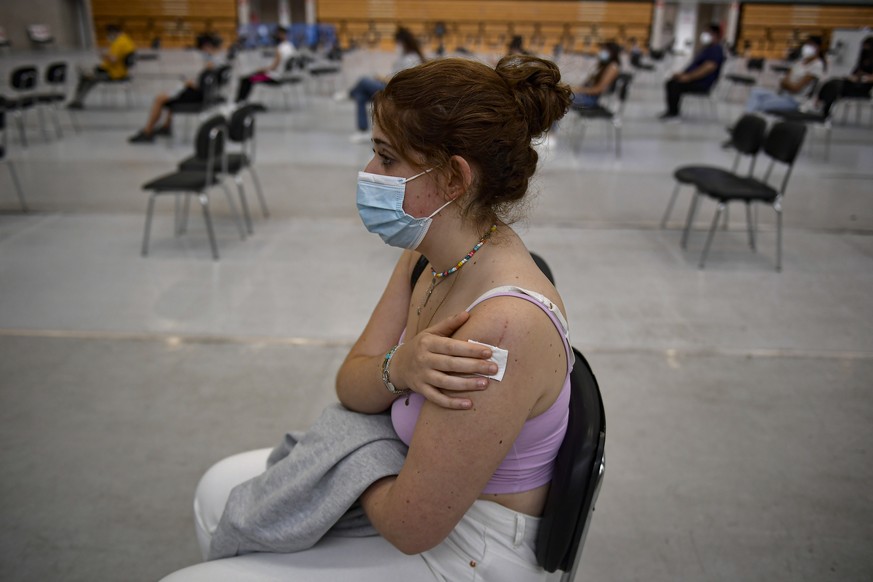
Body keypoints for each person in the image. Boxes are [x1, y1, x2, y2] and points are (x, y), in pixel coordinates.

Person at [190, 55, 573, 580]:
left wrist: (352, 459)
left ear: (454, 177)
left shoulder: (504, 327)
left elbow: (411, 526)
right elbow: (351, 383)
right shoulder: (423, 258)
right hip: (413, 481)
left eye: (387, 158)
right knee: (217, 489)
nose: (370, 175)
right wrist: (402, 367)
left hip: (471, 547)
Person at [127, 34, 223, 144]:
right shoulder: (218, 61)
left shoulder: (211, 64)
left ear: (207, 47)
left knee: (160, 98)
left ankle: (147, 131)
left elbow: (202, 85)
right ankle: (166, 126)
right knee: (173, 95)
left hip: (198, 97)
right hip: (204, 95)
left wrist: (188, 83)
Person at [336, 27, 425, 143]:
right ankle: (362, 131)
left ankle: (349, 93)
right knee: (361, 95)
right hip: (391, 87)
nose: (396, 46)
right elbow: (395, 75)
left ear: (403, 43)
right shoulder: (403, 57)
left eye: (398, 43)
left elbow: (402, 81)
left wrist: (383, 79)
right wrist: (382, 78)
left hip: (398, 93)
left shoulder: (412, 59)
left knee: (363, 81)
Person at [658, 24, 725, 121]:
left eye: (707, 33)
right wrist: (681, 74)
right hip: (694, 79)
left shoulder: (716, 50)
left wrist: (689, 77)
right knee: (670, 82)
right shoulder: (707, 48)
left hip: (702, 83)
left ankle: (674, 114)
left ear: (714, 34)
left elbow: (708, 68)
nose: (705, 35)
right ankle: (670, 110)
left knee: (675, 85)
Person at [743, 36, 825, 113]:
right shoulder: (800, 62)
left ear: (818, 48)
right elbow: (784, 81)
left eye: (810, 45)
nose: (807, 47)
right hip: (784, 94)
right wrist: (787, 84)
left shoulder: (817, 65)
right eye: (806, 44)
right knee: (755, 92)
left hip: (795, 100)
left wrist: (787, 84)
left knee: (762, 104)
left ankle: (749, 120)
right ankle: (747, 118)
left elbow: (796, 88)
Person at [68, 24, 136, 110]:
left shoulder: (119, 43)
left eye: (109, 34)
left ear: (113, 32)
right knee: (89, 77)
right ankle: (78, 100)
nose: (109, 36)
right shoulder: (127, 40)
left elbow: (113, 59)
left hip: (114, 73)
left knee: (86, 78)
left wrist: (103, 55)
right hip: (118, 71)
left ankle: (77, 101)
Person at [235, 25, 296, 103]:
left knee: (248, 78)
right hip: (285, 75)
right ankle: (241, 101)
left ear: (281, 34)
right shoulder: (290, 46)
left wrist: (261, 70)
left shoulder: (280, 48)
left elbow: (273, 67)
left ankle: (239, 102)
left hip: (274, 77)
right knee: (250, 76)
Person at [571, 41, 622, 108]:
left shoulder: (613, 67)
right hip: (586, 95)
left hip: (591, 99)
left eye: (604, 50)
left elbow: (598, 89)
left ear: (612, 52)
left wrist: (578, 89)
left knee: (561, 98)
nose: (601, 52)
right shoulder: (603, 65)